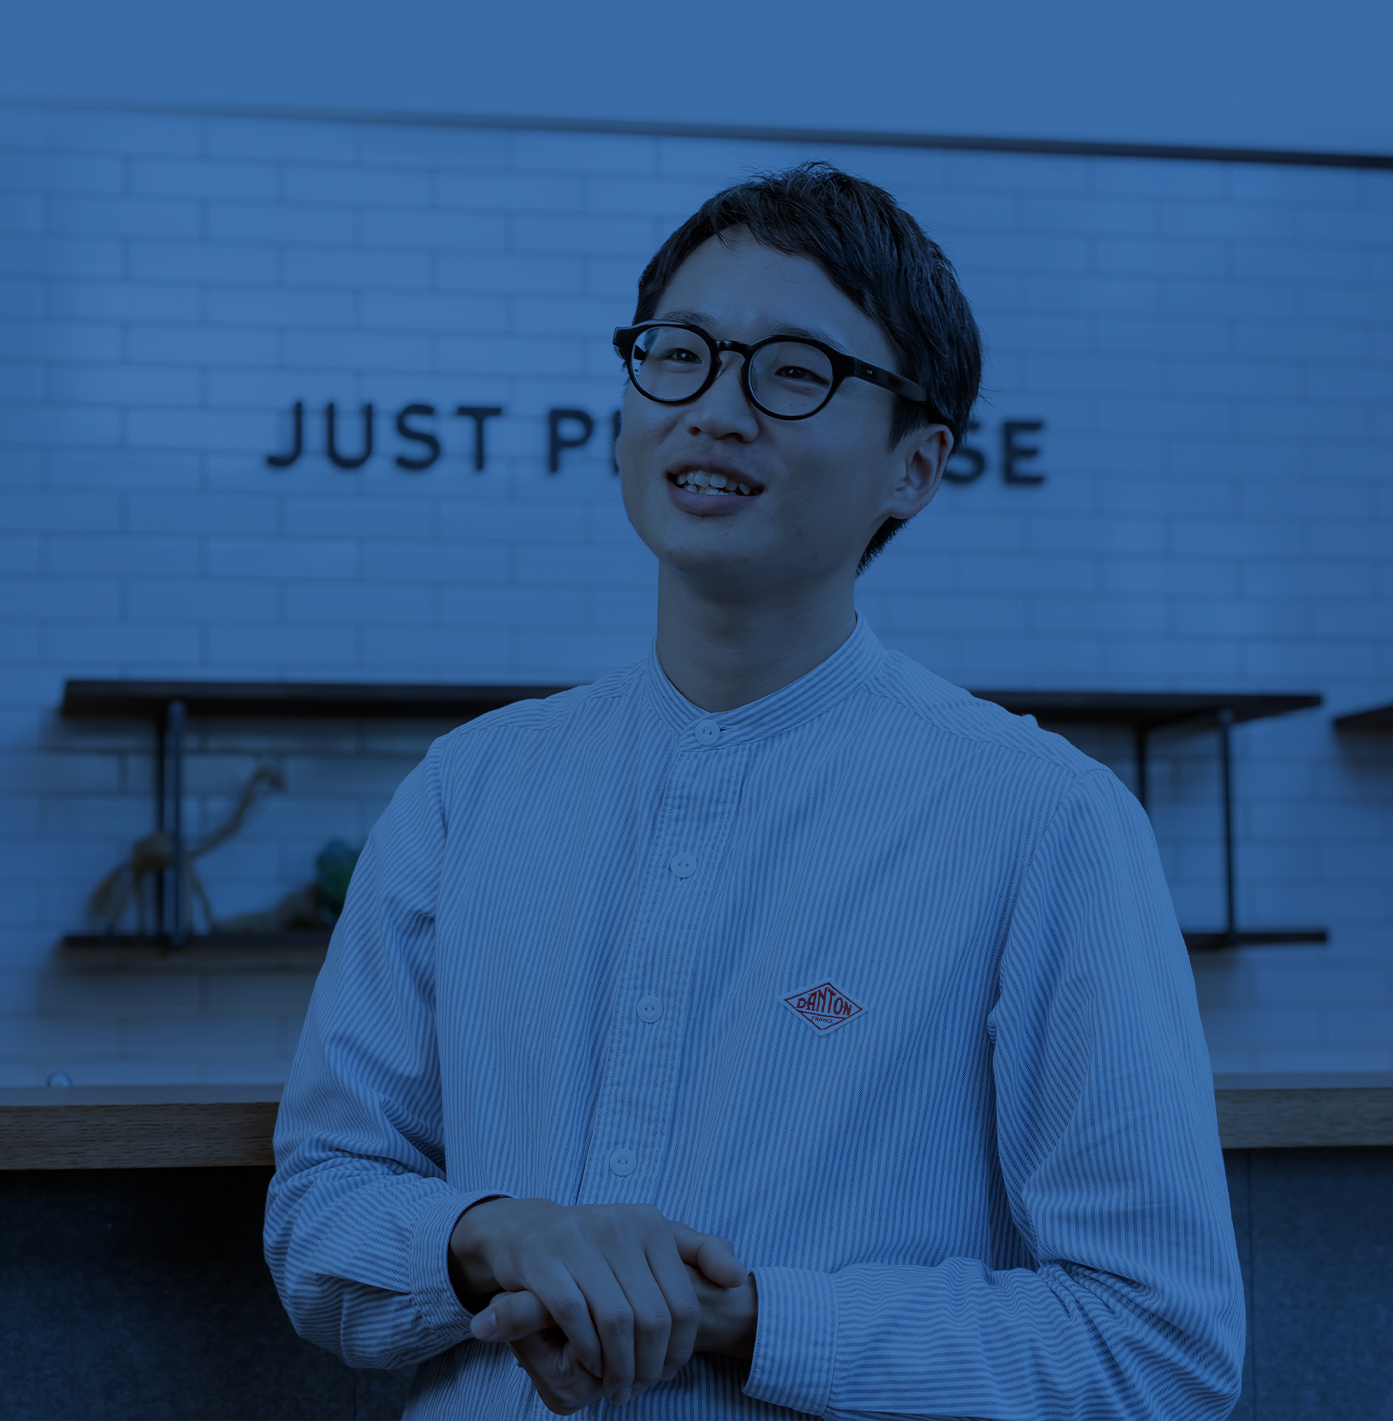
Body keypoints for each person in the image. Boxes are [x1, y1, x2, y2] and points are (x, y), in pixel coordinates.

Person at [264, 163, 1244, 1418]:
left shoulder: (1043, 821)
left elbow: (1156, 1346)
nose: (715, 410)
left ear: (914, 466)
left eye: (795, 371)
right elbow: (320, 1211)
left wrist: (743, 1316)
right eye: (679, 355)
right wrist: (494, 1236)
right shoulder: (472, 787)